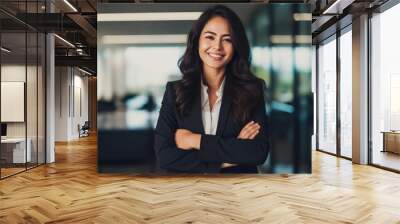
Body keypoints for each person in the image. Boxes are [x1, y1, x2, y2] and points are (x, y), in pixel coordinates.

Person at [154, 5, 269, 173]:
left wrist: (194, 140)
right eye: (210, 37)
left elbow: (257, 152)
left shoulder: (251, 90)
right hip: (189, 192)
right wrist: (231, 153)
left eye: (227, 39)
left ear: (236, 45)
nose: (217, 47)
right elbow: (165, 156)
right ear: (197, 41)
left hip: (239, 192)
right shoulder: (175, 91)